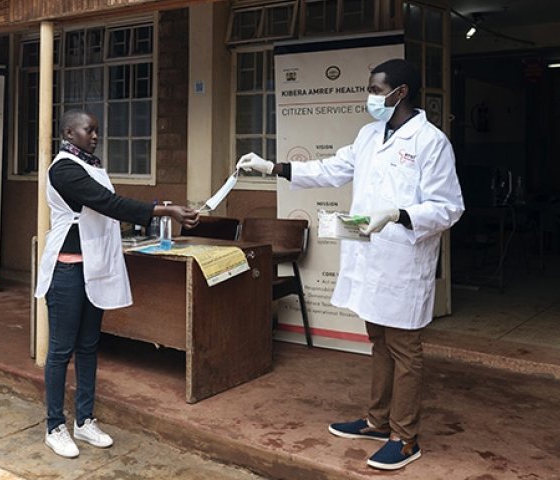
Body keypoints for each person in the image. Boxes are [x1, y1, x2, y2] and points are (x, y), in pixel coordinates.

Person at [237, 59, 464, 471]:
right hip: (371, 256)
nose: (371, 97)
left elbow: (448, 207)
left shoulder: (431, 142)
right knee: (378, 339)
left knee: (406, 350)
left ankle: (405, 436)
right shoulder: (369, 135)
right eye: (371, 88)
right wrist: (275, 167)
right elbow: (331, 168)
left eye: (377, 90)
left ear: (402, 92)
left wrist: (399, 214)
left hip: (403, 260)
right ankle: (378, 421)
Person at [35, 109, 200, 458]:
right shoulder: (64, 168)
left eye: (97, 131)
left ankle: (84, 420)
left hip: (94, 268)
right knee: (61, 350)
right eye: (88, 130)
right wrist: (165, 211)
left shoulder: (91, 165)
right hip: (67, 271)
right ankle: (54, 425)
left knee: (88, 345)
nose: (95, 136)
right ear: (69, 132)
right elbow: (107, 203)